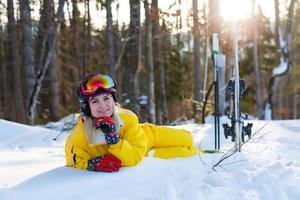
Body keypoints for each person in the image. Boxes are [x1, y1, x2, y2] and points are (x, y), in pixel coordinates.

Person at [65, 74, 198, 172]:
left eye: (107, 98)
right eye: (95, 101)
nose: (103, 106)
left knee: (188, 138)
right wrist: (93, 164)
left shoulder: (127, 118)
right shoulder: (79, 135)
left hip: (148, 135)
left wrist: (113, 136)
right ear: (87, 107)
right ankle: (198, 152)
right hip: (141, 152)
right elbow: (73, 161)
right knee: (185, 152)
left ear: (113, 99)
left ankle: (195, 147)